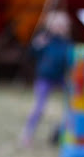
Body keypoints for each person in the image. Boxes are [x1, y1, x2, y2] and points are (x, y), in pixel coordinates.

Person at [19, 10, 73, 147]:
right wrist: (36, 46)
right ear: (50, 26)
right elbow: (31, 54)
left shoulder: (67, 43)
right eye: (56, 25)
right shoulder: (44, 39)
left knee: (72, 105)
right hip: (45, 76)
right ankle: (27, 134)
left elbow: (70, 60)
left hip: (61, 77)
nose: (59, 28)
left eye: (62, 25)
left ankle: (67, 133)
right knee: (39, 107)